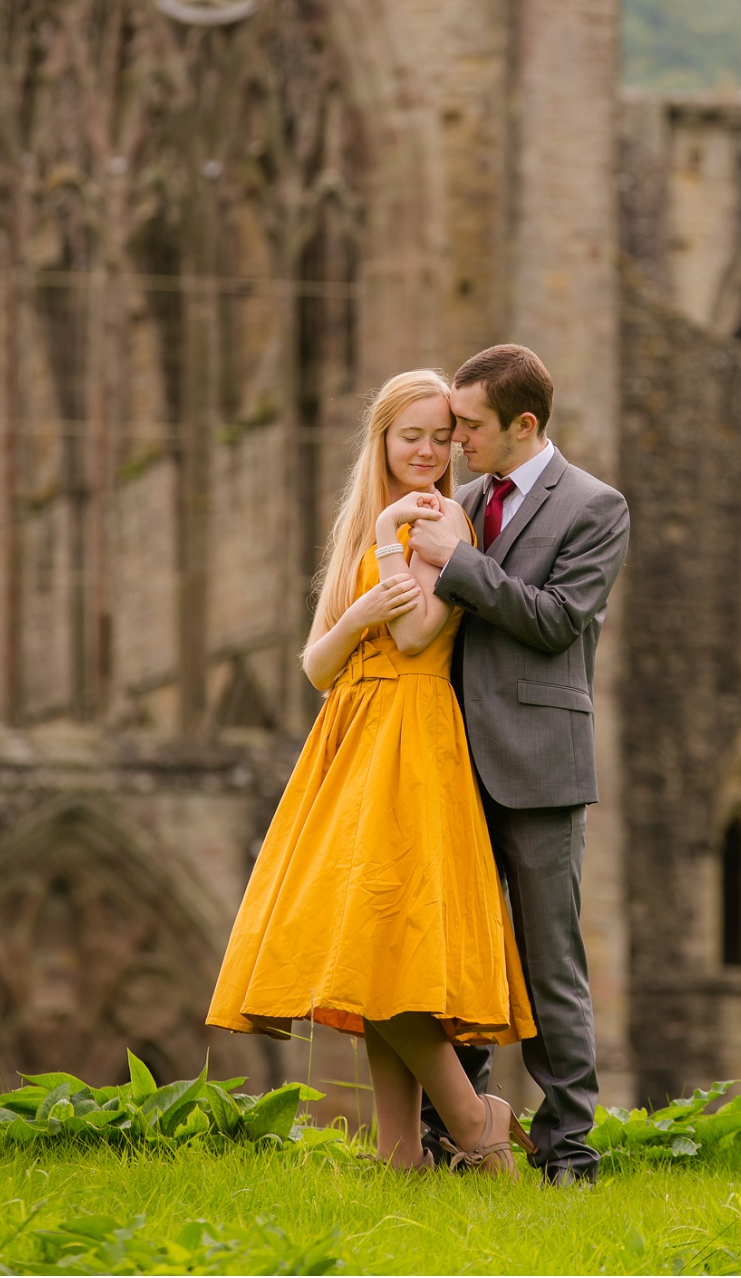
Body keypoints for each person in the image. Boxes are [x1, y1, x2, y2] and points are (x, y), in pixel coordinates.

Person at [206, 369, 537, 1176]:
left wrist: (395, 539)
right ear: (382, 441)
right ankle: (403, 1156)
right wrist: (357, 607)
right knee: (366, 948)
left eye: (439, 436)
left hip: (414, 737)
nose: (427, 451)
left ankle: (470, 1114)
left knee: (385, 939)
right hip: (350, 735)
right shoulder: (365, 524)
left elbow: (422, 633)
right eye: (409, 435)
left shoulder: (441, 517)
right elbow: (317, 665)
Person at [407, 344, 630, 1186]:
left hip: (540, 768)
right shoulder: (456, 502)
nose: (453, 439)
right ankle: (462, 1137)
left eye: (469, 425)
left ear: (523, 425)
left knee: (549, 965)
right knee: (460, 959)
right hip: (453, 764)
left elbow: (556, 620)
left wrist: (457, 564)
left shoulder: (596, 507)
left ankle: (570, 1149)